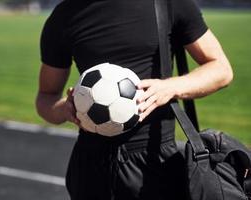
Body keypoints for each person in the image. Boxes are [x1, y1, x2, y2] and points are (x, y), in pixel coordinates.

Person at [36, 0, 233, 199]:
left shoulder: (168, 4)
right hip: (90, 167)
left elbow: (221, 69)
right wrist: (64, 109)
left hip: (155, 163)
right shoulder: (65, 14)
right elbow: (46, 97)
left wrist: (171, 87)